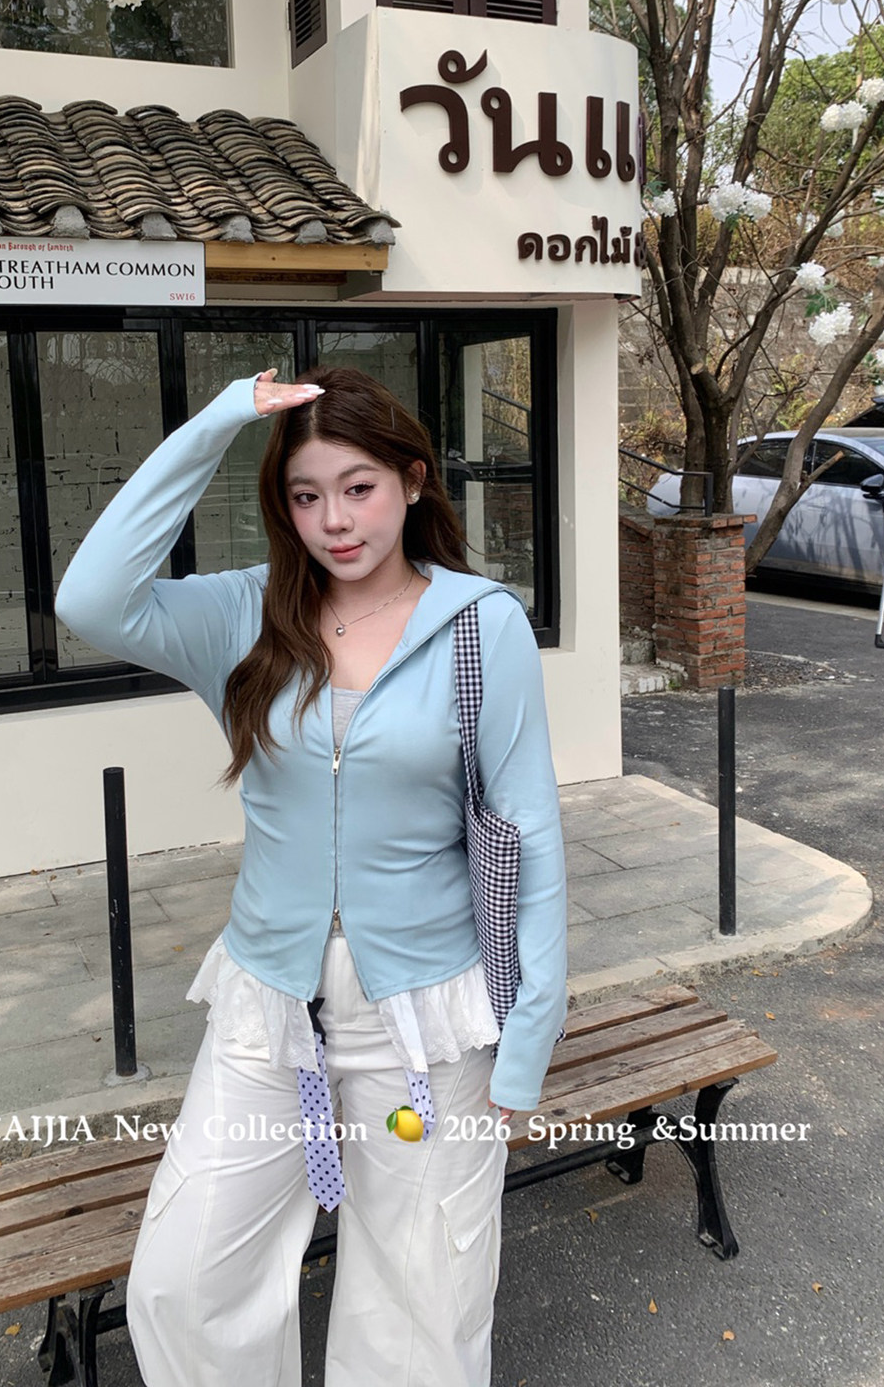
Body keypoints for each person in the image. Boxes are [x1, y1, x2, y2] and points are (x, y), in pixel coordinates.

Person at [55, 365, 568, 1386]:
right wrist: (216, 423)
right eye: (305, 495)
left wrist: (528, 1044)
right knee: (184, 1279)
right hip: (268, 1007)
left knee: (423, 1302)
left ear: (413, 481)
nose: (334, 520)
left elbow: (528, 832)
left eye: (358, 487)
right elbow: (90, 597)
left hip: (427, 1015)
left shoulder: (481, 625)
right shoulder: (244, 615)